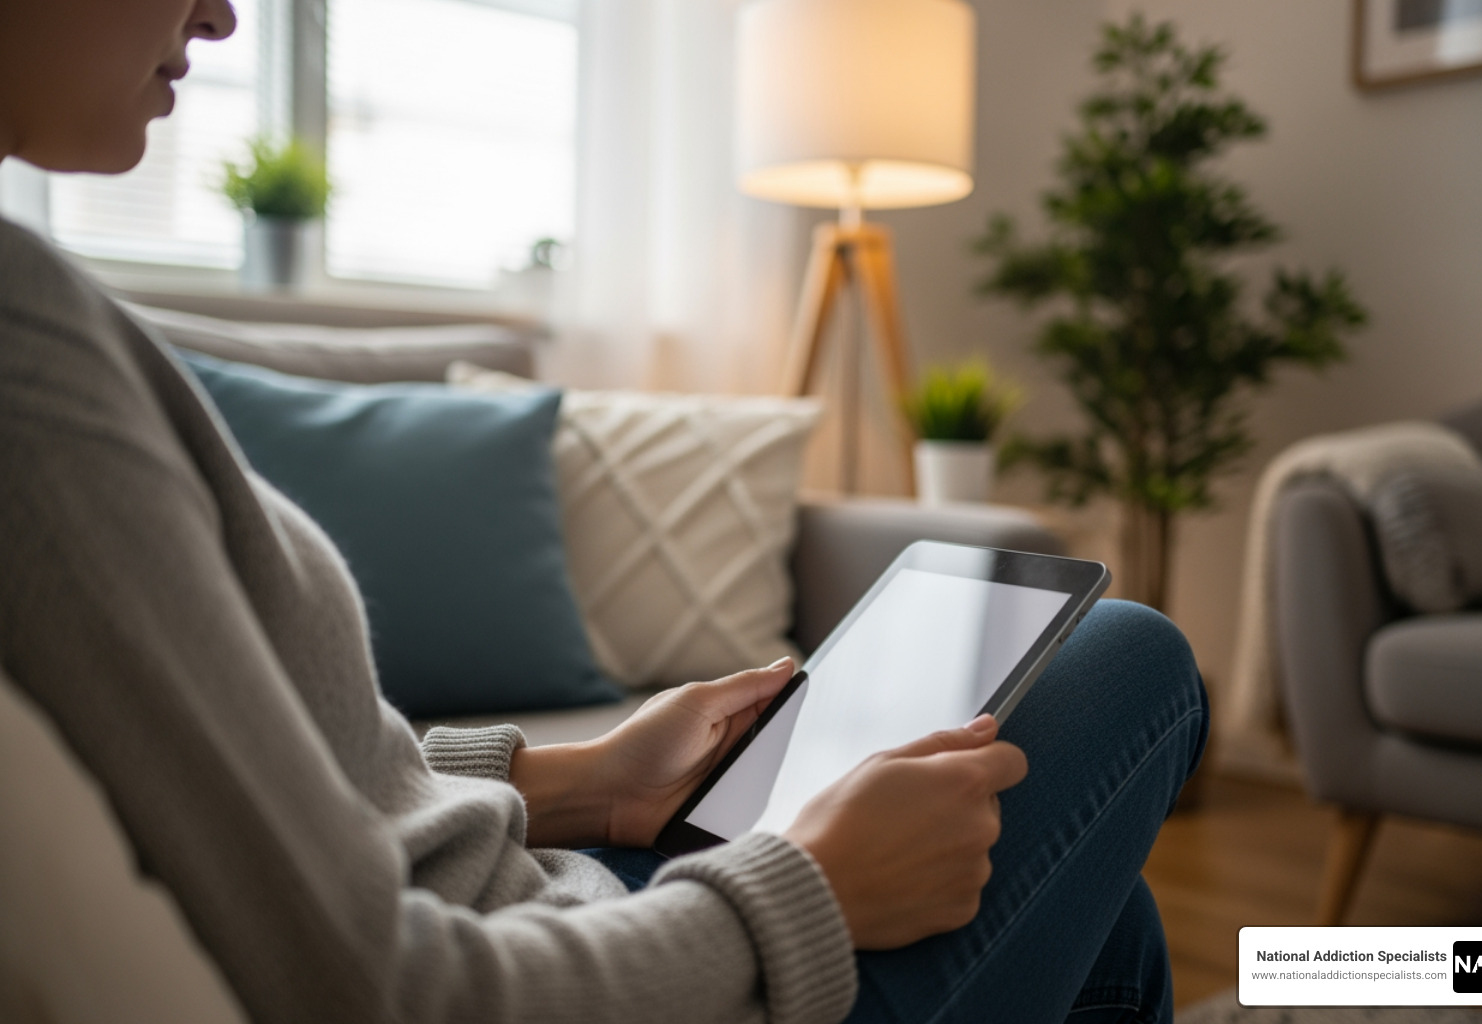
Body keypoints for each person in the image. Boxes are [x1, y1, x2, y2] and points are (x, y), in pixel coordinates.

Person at [0, 2, 1209, 1022]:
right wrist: (813, 880)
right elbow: (373, 987)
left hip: (545, 894)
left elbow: (264, 774)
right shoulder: (27, 355)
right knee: (1128, 656)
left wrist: (583, 778)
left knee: (1095, 901)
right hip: (599, 969)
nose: (222, 13)